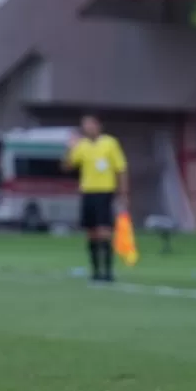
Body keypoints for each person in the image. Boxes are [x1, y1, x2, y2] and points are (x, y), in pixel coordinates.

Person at [65, 114, 128, 283]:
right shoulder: (82, 145)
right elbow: (68, 166)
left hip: (105, 191)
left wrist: (123, 193)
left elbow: (120, 168)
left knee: (104, 231)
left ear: (98, 125)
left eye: (90, 124)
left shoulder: (110, 143)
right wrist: (70, 148)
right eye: (85, 125)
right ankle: (95, 271)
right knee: (91, 232)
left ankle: (108, 271)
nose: (88, 128)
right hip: (88, 192)